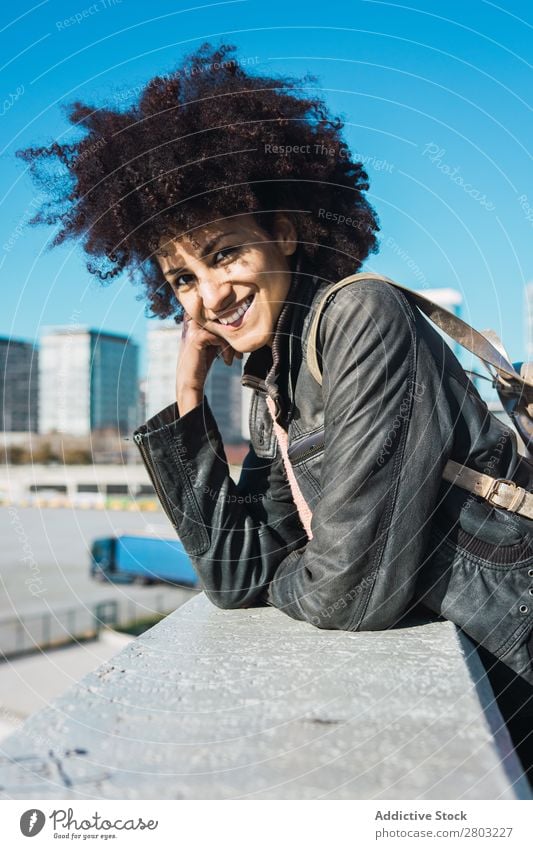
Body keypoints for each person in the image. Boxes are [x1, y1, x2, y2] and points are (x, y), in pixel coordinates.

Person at [19, 42, 533, 775]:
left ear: (284, 232)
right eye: (181, 278)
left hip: (513, 653)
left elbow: (350, 593)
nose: (209, 295)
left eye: (225, 254)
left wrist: (306, 571)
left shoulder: (361, 315)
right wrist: (190, 400)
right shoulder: (273, 387)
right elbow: (236, 577)